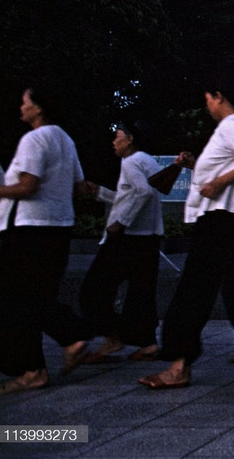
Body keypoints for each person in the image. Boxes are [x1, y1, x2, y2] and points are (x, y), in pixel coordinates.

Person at [140, 78, 234, 390]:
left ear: (219, 96)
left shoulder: (233, 124)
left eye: (208, 100)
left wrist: (219, 183)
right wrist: (196, 166)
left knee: (194, 291)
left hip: (223, 220)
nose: (207, 106)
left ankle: (178, 365)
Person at [0, 87, 92, 395]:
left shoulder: (34, 139)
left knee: (2, 295)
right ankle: (39, 366)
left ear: (39, 108)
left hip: (29, 229)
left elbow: (28, 186)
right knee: (33, 295)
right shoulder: (65, 139)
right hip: (58, 228)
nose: (21, 107)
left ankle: (65, 341)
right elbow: (79, 187)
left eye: (25, 102)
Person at [78, 122, 164, 364]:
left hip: (127, 240)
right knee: (141, 292)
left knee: (93, 289)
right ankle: (147, 344)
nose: (113, 142)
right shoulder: (148, 161)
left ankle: (113, 335)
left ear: (130, 139)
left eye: (117, 137)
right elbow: (131, 196)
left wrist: (121, 223)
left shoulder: (131, 161)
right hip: (148, 238)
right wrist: (100, 193)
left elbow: (144, 193)